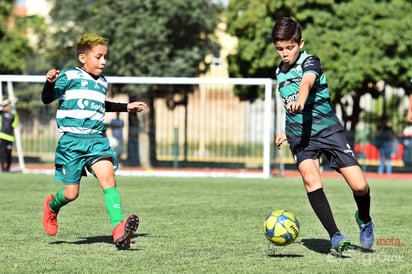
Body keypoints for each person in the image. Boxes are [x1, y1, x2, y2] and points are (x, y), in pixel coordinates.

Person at [272, 17, 374, 255]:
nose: (285, 53)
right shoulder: (280, 72)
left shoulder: (311, 61)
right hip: (301, 137)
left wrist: (301, 99)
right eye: (279, 49)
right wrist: (286, 133)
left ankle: (365, 217)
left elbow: (307, 82)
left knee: (359, 186)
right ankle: (335, 235)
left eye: (290, 47)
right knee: (310, 179)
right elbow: (289, 109)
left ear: (300, 43)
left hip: (328, 130)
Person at [41, 33, 148, 249]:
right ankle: (52, 207)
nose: (103, 62)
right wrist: (49, 82)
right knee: (72, 194)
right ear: (83, 58)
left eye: (105, 57)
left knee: (108, 179)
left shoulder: (103, 82)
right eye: (98, 57)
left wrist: (125, 107)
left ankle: (119, 230)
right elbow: (47, 98)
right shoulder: (69, 76)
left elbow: (100, 104)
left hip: (96, 140)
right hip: (71, 142)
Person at [0, 99, 19, 172]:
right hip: (2, 136)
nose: (6, 107)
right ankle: (3, 169)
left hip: (10, 138)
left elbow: (14, 124)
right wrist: (5, 101)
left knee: (8, 154)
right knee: (2, 153)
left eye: (7, 106)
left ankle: (8, 169)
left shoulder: (13, 115)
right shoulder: (1, 114)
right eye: (5, 106)